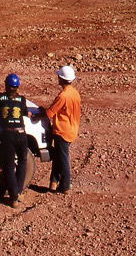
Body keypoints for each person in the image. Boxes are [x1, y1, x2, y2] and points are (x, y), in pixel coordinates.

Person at [35, 65, 81, 194]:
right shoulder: (75, 93)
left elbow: (50, 113)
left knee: (62, 158)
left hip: (62, 131)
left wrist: (37, 115)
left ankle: (65, 185)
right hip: (72, 129)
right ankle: (53, 183)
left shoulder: (63, 96)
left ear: (61, 78)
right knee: (58, 156)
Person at [0, 73, 30, 208]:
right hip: (21, 133)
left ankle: (14, 197)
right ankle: (18, 192)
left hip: (8, 134)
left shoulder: (0, 97)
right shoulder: (22, 99)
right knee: (22, 162)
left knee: (9, 165)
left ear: (6, 85)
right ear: (18, 87)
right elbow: (25, 112)